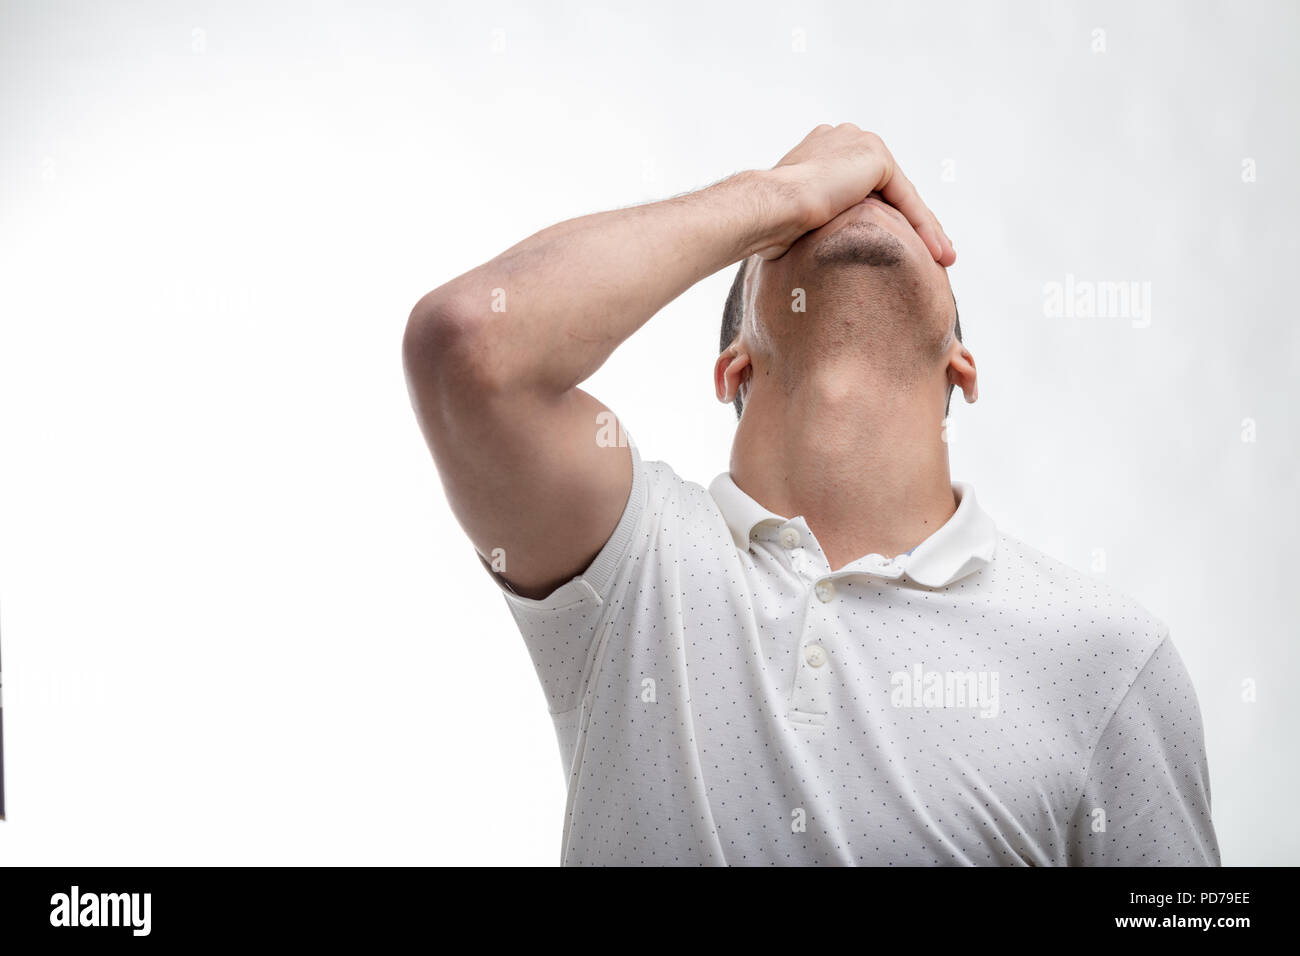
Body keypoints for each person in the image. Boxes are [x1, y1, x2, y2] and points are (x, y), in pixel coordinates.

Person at [402, 124, 1220, 866]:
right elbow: (470, 342)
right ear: (736, 366)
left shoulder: (1107, 655)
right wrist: (774, 194)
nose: (854, 203)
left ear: (959, 368)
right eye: (805, 224)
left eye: (885, 208)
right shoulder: (633, 565)